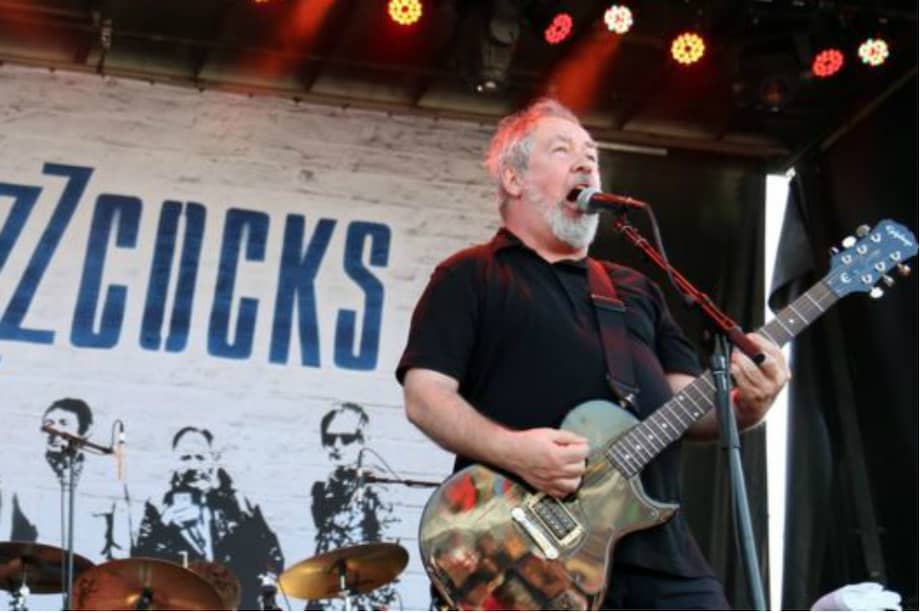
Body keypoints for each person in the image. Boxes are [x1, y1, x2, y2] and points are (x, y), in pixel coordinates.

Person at [396, 98, 790, 609]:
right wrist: (516, 452)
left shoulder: (637, 290)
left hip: (659, 555)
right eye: (562, 151)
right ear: (514, 181)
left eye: (591, 155)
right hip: (526, 559)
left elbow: (692, 407)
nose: (586, 163)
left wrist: (752, 404)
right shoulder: (471, 276)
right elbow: (425, 397)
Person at [133, 426, 284, 610]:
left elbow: (273, 558)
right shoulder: (158, 507)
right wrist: (163, 525)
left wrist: (263, 589)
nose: (193, 466)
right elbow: (139, 568)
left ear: (214, 460)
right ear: (173, 461)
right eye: (185, 458)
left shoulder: (239, 505)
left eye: (200, 457)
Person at [308, 402, 398, 611]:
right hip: (327, 593)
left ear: (362, 440)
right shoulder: (322, 489)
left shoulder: (377, 488)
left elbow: (388, 552)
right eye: (330, 439)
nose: (337, 446)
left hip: (361, 598)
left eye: (346, 438)